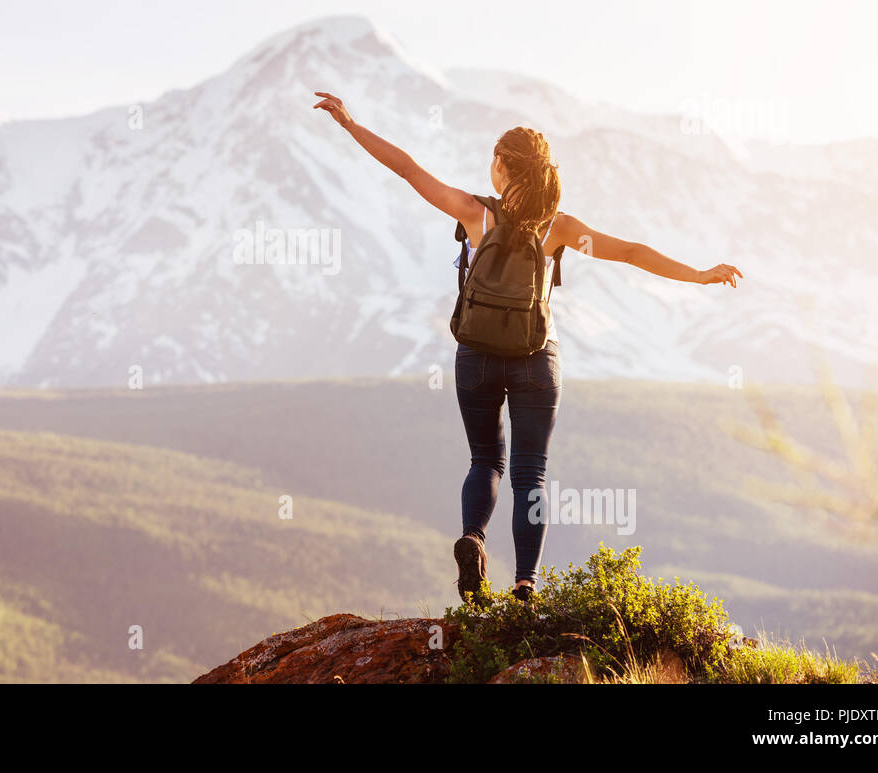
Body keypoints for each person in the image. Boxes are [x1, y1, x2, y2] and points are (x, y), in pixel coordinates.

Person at [312, 91, 742, 603]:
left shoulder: (476, 215)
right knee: (529, 473)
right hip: (537, 361)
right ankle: (524, 587)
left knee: (485, 461)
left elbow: (406, 167)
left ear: (501, 168)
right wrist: (698, 276)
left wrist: (351, 124)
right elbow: (628, 252)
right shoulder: (558, 229)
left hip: (475, 357)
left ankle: (473, 538)